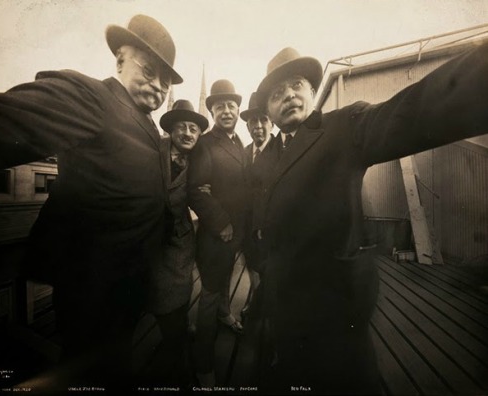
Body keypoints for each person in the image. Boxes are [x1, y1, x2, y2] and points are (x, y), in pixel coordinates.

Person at [253, 46, 488, 394]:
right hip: (284, 307)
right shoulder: (264, 158)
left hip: (335, 310)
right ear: (268, 110)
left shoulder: (344, 127)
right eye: (276, 93)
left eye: (297, 84)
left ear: (311, 91)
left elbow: (410, 111)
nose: (288, 94)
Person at [0, 15, 182, 391]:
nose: (159, 86)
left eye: (167, 80)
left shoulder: (152, 129)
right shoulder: (92, 97)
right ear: (120, 60)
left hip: (131, 286)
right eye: (150, 70)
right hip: (91, 290)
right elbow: (4, 122)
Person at [187, 79, 249, 386]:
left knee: (224, 283)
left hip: (236, 233)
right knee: (208, 296)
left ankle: (227, 313)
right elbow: (197, 190)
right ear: (212, 111)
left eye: (231, 105)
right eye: (219, 106)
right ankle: (204, 365)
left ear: (238, 109)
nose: (226, 111)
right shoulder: (205, 143)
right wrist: (222, 222)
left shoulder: (238, 141)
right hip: (215, 235)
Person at [149, 99, 207, 386]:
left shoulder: (199, 160)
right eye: (181, 126)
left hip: (179, 239)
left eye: (193, 128)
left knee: (178, 294)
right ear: (170, 130)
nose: (187, 133)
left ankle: (179, 355)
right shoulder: (151, 150)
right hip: (145, 237)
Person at [239, 92, 275, 318]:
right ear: (248, 126)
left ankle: (266, 311)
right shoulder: (243, 153)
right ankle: (255, 302)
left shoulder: (283, 152)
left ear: (272, 123)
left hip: (271, 230)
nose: (258, 126)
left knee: (270, 273)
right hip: (246, 227)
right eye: (253, 121)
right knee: (252, 267)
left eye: (263, 120)